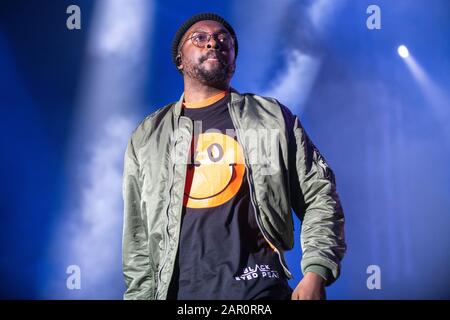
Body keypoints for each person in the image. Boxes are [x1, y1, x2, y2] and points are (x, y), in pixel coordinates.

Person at [122, 12, 346, 300]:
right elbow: (137, 237)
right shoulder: (148, 136)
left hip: (260, 291)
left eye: (222, 39)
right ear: (179, 59)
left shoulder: (272, 118)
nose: (213, 43)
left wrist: (316, 271)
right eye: (200, 38)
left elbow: (319, 194)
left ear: (234, 60)